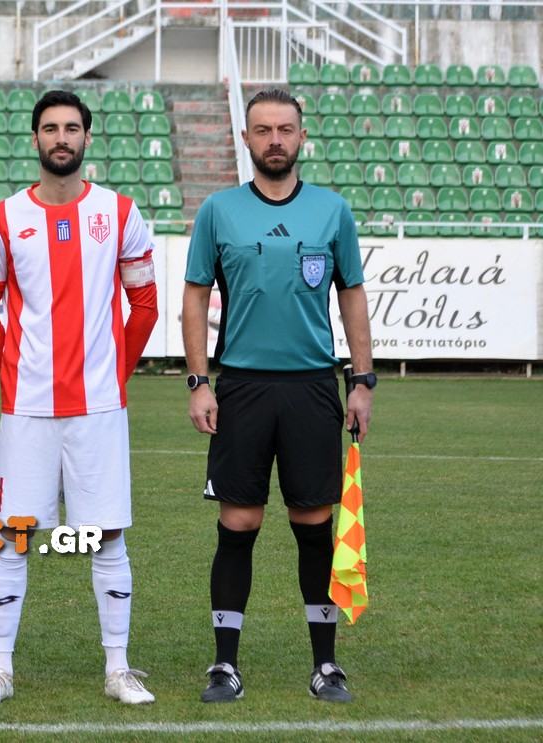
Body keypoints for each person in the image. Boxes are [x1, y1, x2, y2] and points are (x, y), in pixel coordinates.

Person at [0, 90, 160, 707]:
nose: (61, 138)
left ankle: (118, 669)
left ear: (87, 138)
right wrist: (15, 369)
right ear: (35, 139)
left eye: (72, 128)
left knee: (108, 535)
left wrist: (115, 375)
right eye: (50, 128)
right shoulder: (3, 218)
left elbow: (144, 305)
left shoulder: (120, 213)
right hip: (28, 408)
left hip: (98, 407)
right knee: (13, 536)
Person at [182, 88, 374, 704]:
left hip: (313, 387)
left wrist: (362, 380)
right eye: (262, 130)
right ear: (246, 138)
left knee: (313, 525)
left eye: (284, 129)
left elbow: (351, 294)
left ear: (301, 136)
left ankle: (326, 665)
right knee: (238, 523)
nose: (274, 140)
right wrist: (199, 382)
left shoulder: (331, 210)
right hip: (241, 386)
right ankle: (224, 665)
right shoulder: (219, 211)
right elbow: (194, 296)